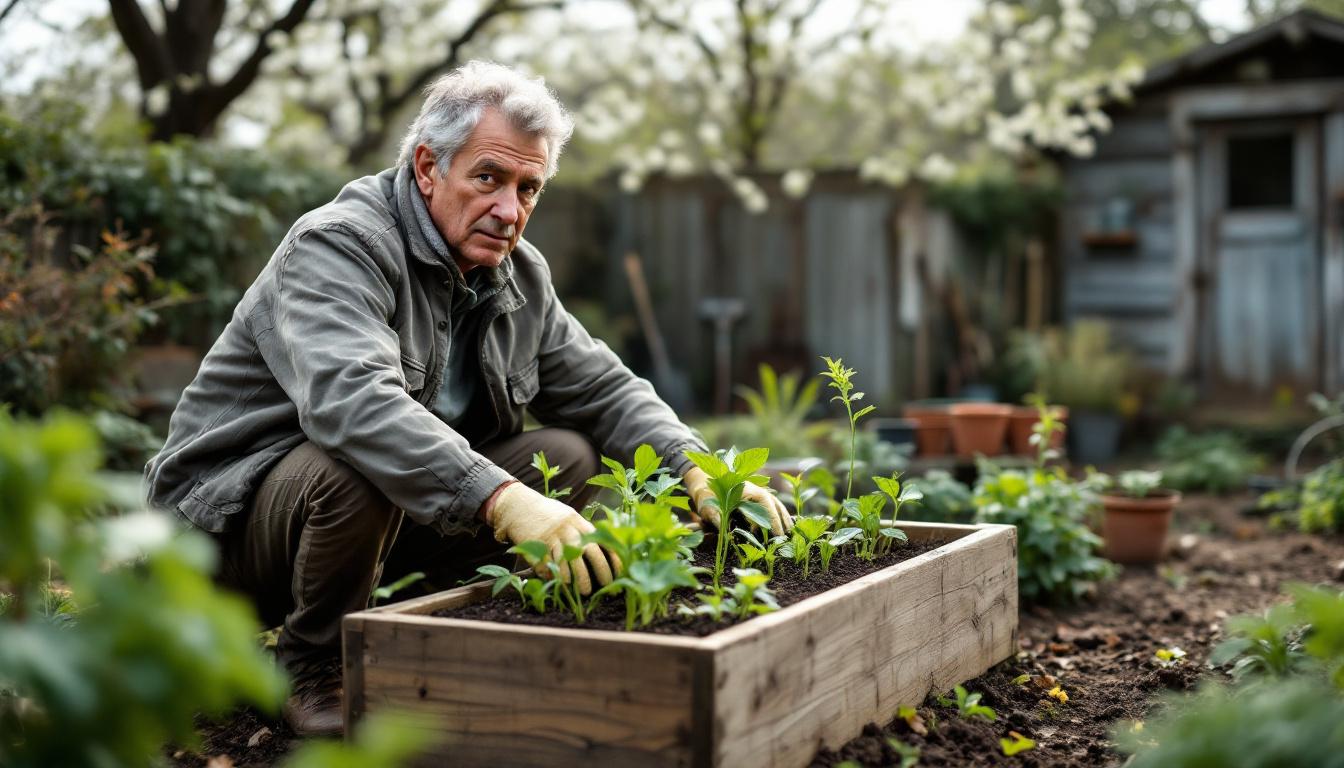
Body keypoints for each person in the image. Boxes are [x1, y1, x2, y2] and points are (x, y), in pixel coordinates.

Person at [144, 61, 793, 737]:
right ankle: (313, 662)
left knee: (565, 455)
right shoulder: (340, 244)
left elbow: (602, 387)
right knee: (359, 462)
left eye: (528, 188)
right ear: (428, 168)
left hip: (372, 526)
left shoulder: (517, 276)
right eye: (489, 178)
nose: (510, 210)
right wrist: (504, 500)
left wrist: (697, 467)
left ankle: (430, 617)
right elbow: (353, 404)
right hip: (224, 536)